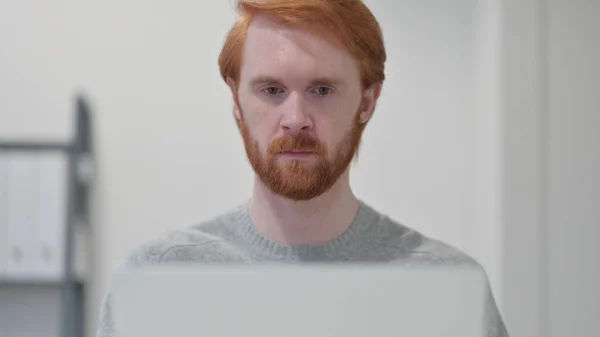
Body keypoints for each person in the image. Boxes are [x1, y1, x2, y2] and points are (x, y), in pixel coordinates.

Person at [96, 0, 509, 336]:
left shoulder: (444, 291)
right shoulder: (160, 281)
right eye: (272, 90)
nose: (296, 118)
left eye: (322, 90)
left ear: (367, 102)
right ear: (236, 100)